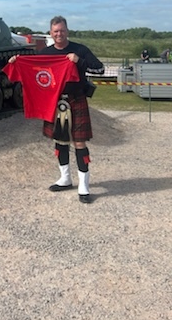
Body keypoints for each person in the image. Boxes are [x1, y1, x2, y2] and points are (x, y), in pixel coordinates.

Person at [7, 16, 104, 203]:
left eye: (62, 30)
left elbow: (100, 69)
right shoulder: (45, 53)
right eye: (55, 31)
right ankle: (65, 179)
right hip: (55, 102)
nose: (59, 34)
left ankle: (84, 187)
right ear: (51, 33)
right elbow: (31, 66)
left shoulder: (80, 50)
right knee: (60, 141)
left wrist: (79, 61)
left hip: (76, 100)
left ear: (67, 31)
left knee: (79, 143)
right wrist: (16, 61)